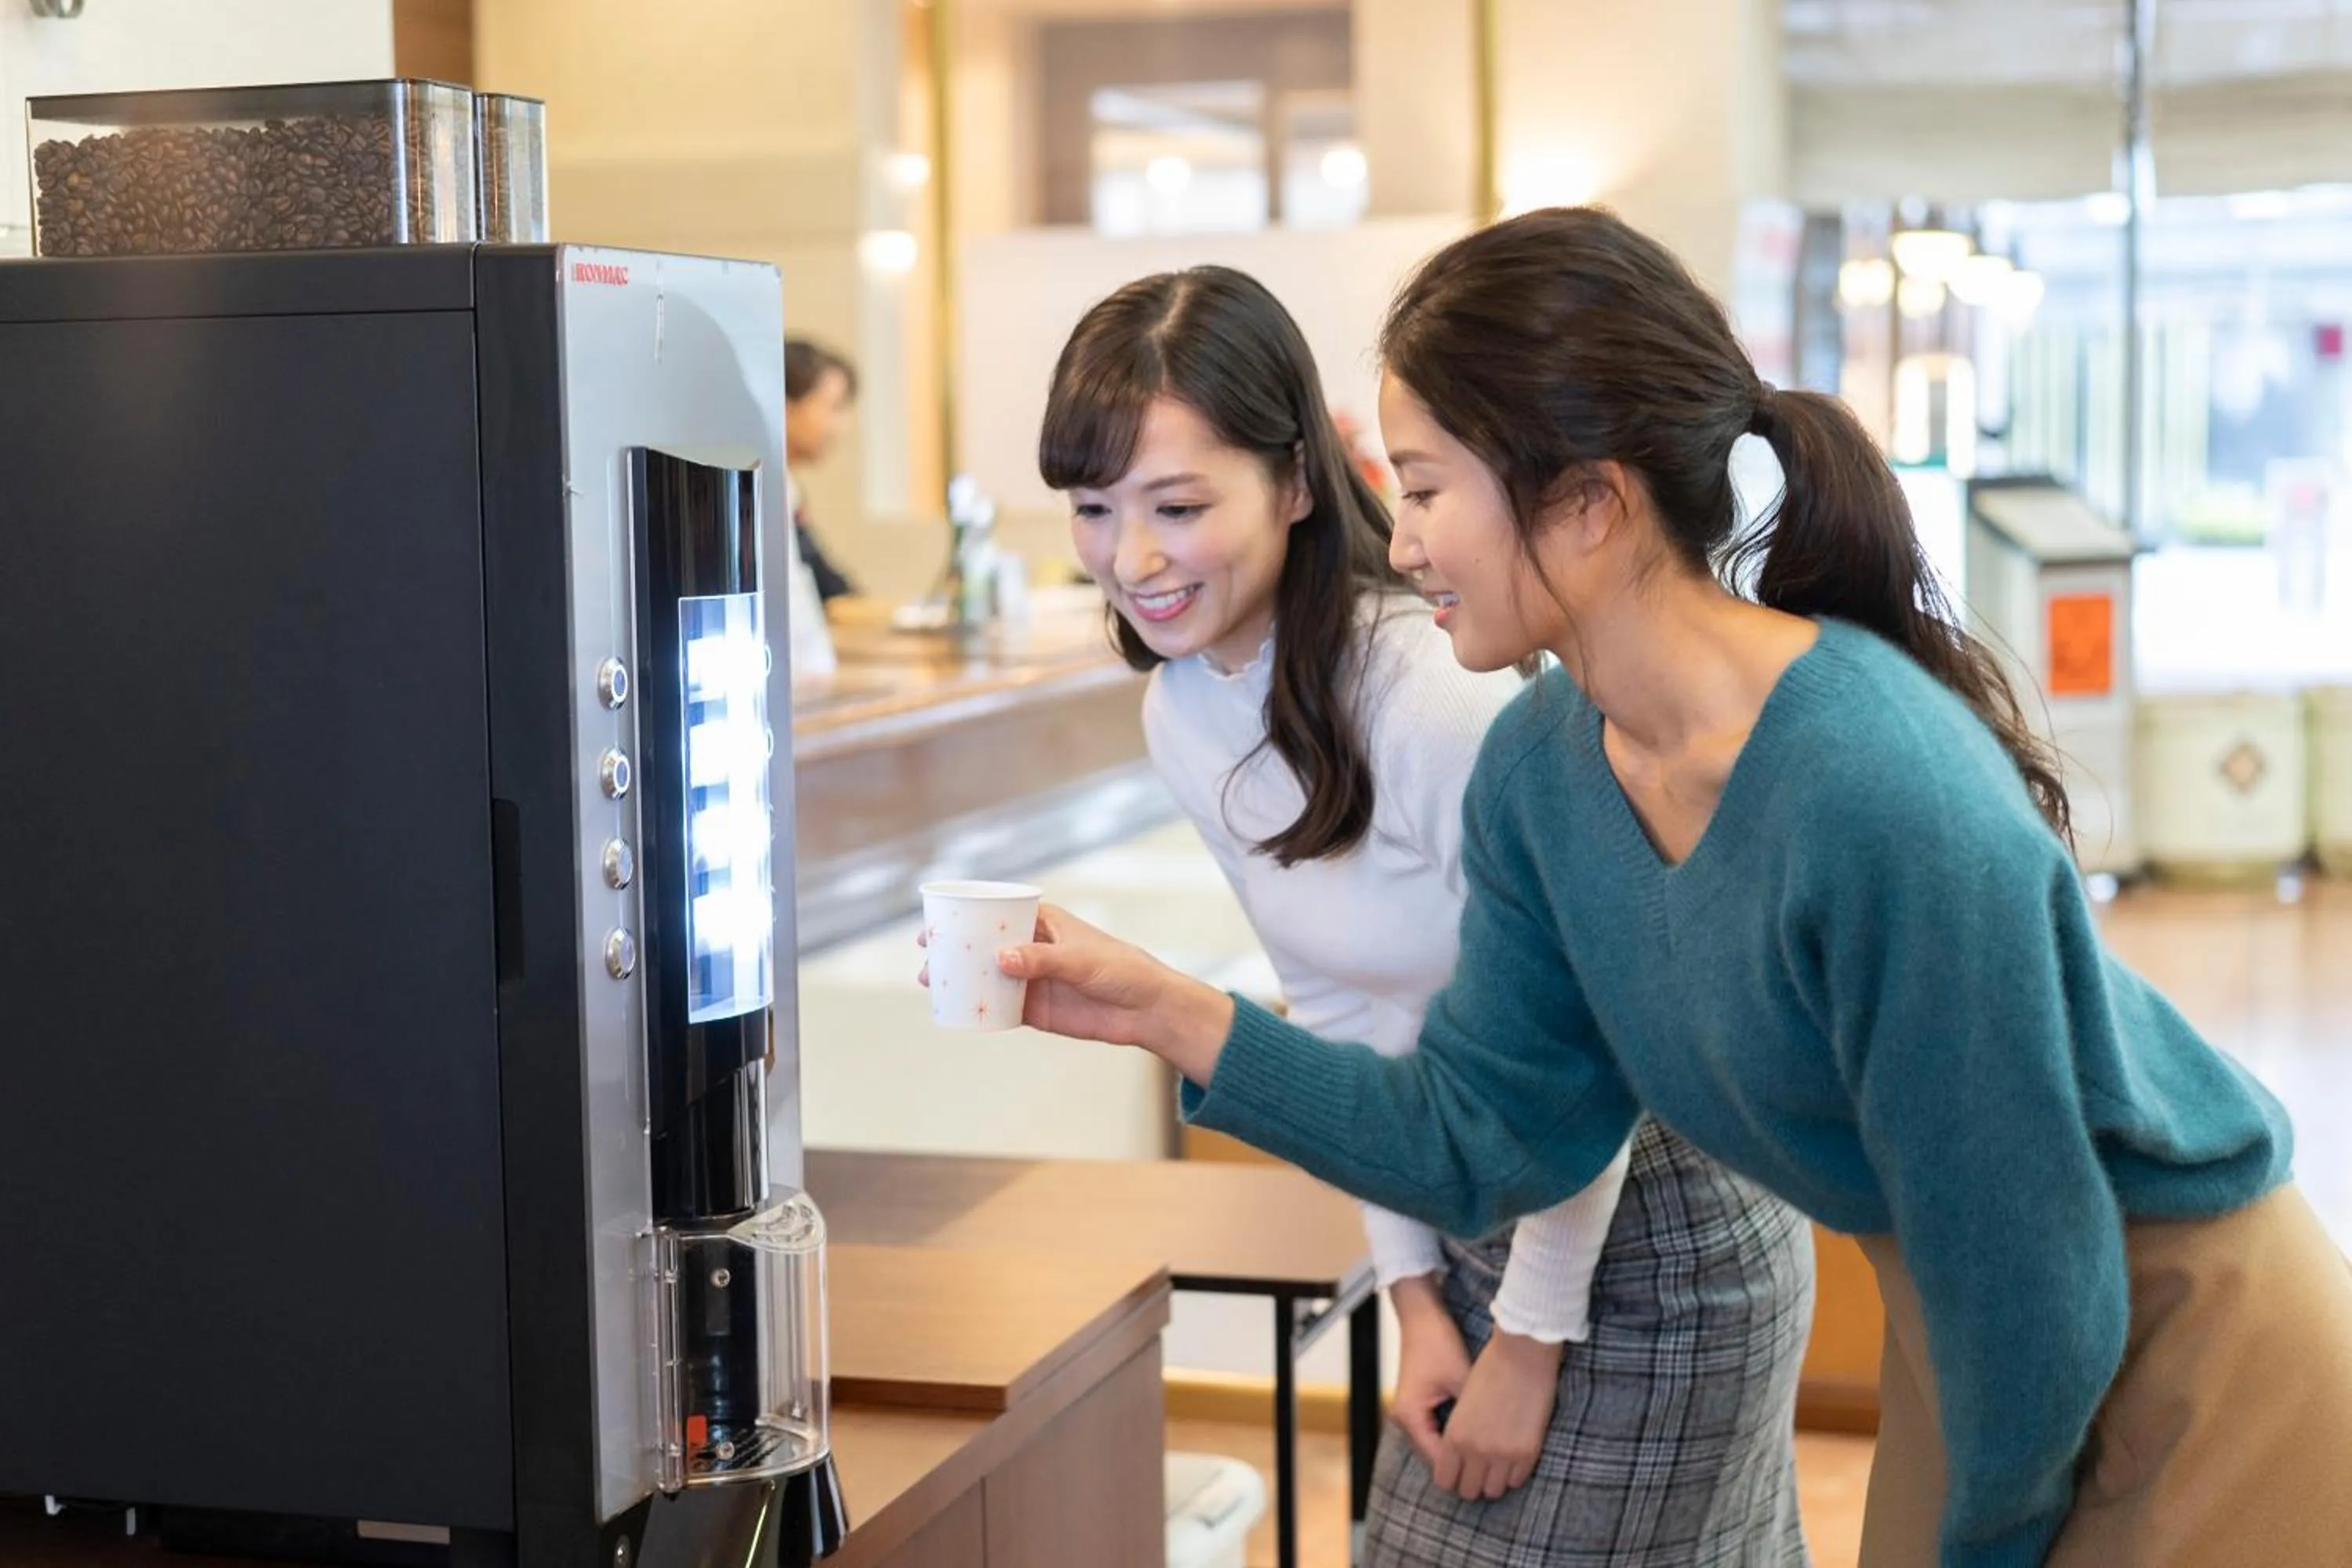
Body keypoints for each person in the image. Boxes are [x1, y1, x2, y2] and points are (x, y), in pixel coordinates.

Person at [954, 209, 2352, 1567]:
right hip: (1979, 1318)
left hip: (2175, 1330)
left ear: (1589, 503)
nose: (1408, 543)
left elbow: (2040, 1276)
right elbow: (1480, 1141)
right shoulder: (1545, 771)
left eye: (1430, 488)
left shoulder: (1877, 789)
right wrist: (1168, 1014)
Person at [1037, 265, 1813, 1563]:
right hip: (1469, 1193)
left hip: (1649, 1223)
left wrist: (1527, 1334)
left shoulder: (1427, 694)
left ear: (1294, 482)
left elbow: (1595, 1045)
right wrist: (1415, 1296)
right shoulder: (1184, 714)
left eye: (1178, 505)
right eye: (1096, 509)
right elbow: (1348, 1011)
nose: (1135, 559)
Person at [785, 336, 861, 603]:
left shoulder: (790, 491)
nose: (841, 428)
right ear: (787, 407)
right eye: (833, 408)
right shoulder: (764, 499)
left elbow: (831, 586)